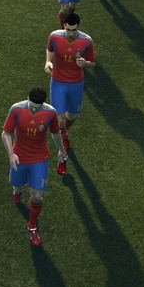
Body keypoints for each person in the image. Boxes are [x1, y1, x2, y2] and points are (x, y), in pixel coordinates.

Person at [1, 87, 65, 246]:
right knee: (17, 186)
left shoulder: (50, 113)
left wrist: (62, 150)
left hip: (39, 158)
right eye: (31, 106)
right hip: (19, 156)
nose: (34, 110)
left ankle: (32, 225)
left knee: (36, 196)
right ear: (27, 99)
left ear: (43, 104)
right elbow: (6, 133)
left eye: (37, 107)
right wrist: (11, 154)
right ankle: (18, 191)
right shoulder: (16, 109)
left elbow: (55, 133)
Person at [45, 12, 95, 173]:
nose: (70, 33)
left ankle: (63, 133)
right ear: (64, 26)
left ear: (78, 27)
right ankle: (62, 155)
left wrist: (85, 63)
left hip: (76, 83)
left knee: (71, 116)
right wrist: (48, 62)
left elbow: (92, 62)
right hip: (58, 82)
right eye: (68, 29)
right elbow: (49, 49)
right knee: (59, 119)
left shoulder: (86, 41)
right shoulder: (55, 36)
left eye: (73, 30)